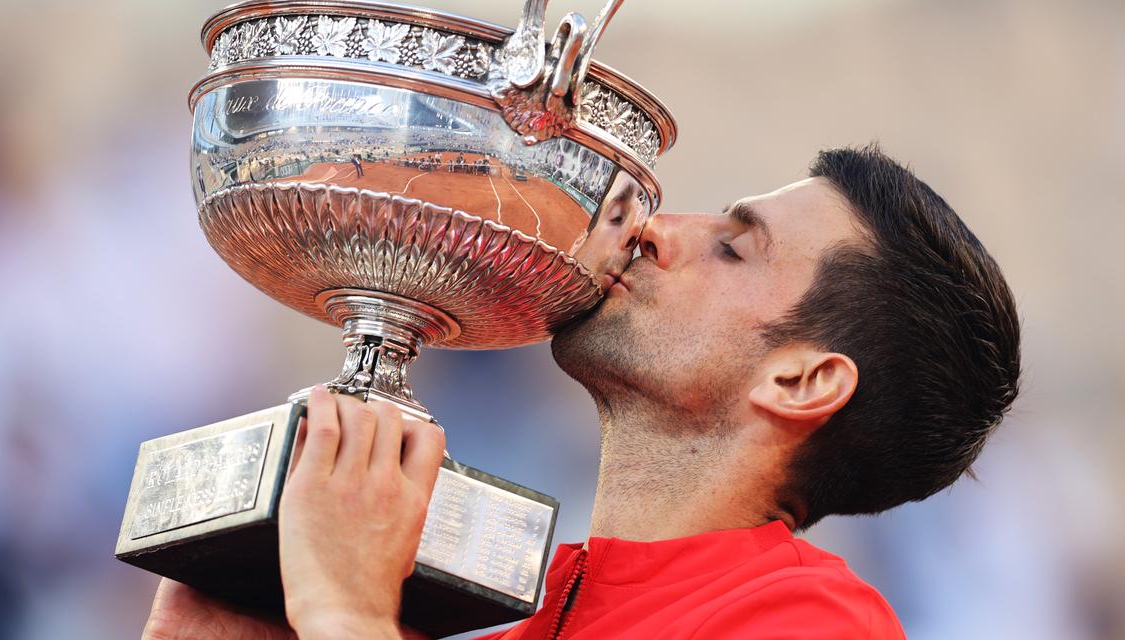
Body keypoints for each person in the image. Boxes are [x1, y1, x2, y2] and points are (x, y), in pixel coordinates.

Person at [142, 145, 1020, 639]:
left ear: (801, 381)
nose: (654, 230)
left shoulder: (809, 624)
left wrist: (346, 607)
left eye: (733, 246)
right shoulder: (536, 612)